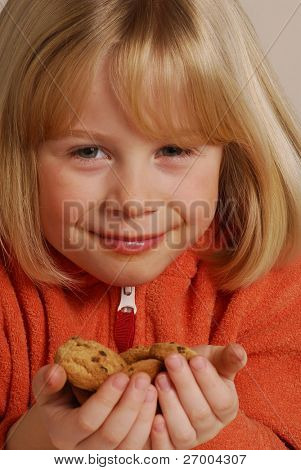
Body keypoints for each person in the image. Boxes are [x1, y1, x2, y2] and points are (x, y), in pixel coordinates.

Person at [0, 0, 301, 450]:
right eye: (87, 152)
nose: (134, 200)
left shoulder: (271, 289)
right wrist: (32, 446)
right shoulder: (10, 299)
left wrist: (216, 436)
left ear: (234, 155)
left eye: (174, 150)